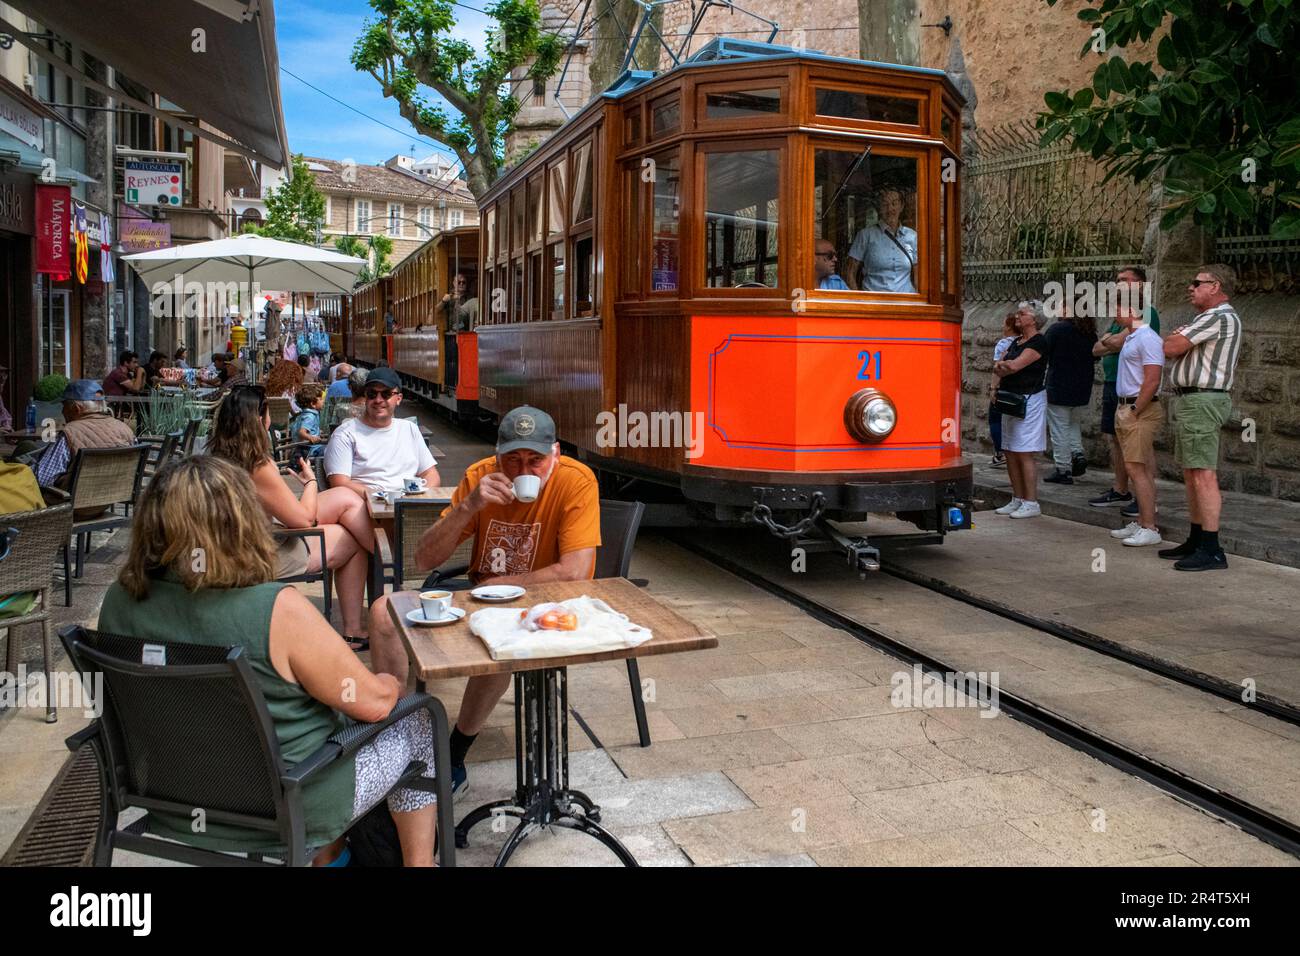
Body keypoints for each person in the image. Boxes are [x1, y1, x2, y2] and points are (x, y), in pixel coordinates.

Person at [97, 456, 438, 865]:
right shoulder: (275, 609)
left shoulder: (118, 601)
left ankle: (333, 859)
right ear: (240, 521)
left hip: (170, 797)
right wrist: (390, 682)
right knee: (416, 721)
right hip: (289, 801)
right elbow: (373, 704)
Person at [366, 406, 600, 798]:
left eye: (536, 461)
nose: (524, 471)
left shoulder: (577, 481)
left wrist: (501, 584)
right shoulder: (480, 477)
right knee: (383, 613)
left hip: (543, 607)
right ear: (497, 455)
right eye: (512, 460)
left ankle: (456, 752)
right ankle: (400, 736)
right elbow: (423, 560)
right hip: (480, 595)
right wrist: (467, 507)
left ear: (556, 453)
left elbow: (575, 572)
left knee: (500, 632)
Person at [208, 385, 375, 648]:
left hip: (235, 544)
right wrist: (310, 483)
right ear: (259, 420)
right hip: (258, 554)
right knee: (351, 540)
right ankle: (357, 623)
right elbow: (302, 521)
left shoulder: (216, 458)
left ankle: (383, 556)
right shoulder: (257, 466)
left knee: (345, 498)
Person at [1159, 264, 1243, 572]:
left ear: (1215, 287)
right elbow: (1174, 344)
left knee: (1203, 473)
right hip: (1194, 399)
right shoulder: (1209, 318)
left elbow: (1171, 346)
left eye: (1198, 283)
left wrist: (1178, 337)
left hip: (1202, 399)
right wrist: (1179, 337)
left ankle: (1211, 548)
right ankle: (1197, 539)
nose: (1190, 287)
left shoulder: (1218, 317)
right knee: (1193, 471)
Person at [1090, 266, 1161, 512]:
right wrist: (1111, 342)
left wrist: (1111, 341)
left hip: (1134, 390)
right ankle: (1121, 489)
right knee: (1116, 439)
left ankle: (1146, 500)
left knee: (1140, 446)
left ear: (1140, 284)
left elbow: (1120, 341)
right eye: (1117, 280)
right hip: (1114, 383)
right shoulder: (1119, 316)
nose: (1118, 283)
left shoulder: (1147, 312)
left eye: (1124, 280)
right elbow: (1096, 348)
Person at [323, 367, 438, 497]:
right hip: (364, 505)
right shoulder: (345, 434)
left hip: (409, 505)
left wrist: (419, 498)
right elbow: (340, 483)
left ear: (399, 398)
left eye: (386, 394)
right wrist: (383, 496)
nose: (378, 400)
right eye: (372, 394)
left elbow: (430, 473)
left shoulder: (409, 429)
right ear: (365, 397)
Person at [1108, 304, 1165, 548]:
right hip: (1127, 407)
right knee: (1135, 467)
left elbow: (1152, 378)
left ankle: (1149, 526)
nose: (1113, 313)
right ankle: (1143, 520)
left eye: (1116, 307)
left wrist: (1134, 410)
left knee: (1136, 467)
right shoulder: (1132, 337)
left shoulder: (1147, 338)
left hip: (1137, 409)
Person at [33, 380, 136, 506]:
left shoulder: (70, 434)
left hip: (68, 508)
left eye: (64, 406)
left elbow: (42, 480)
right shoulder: (125, 429)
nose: (62, 411)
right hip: (105, 504)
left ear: (76, 408)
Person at [991, 300, 1049, 519]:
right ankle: (1017, 497)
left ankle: (1031, 501)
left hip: (1029, 399)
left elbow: (1012, 365)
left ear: (1033, 319)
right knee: (1010, 449)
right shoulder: (1016, 341)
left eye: (1022, 313)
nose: (1017, 316)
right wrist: (1003, 366)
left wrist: (1005, 365)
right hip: (1011, 398)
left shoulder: (1038, 343)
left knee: (1024, 450)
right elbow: (999, 365)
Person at [1042, 308, 1098, 484]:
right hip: (1081, 387)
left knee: (1059, 428)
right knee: (1073, 423)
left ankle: (1063, 468)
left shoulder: (1057, 330)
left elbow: (1042, 352)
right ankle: (1077, 453)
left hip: (1059, 385)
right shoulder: (1089, 332)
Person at [845, 188, 917, 293]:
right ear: (879, 208)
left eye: (894, 203)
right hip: (874, 302)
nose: (890, 209)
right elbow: (850, 272)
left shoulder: (912, 236)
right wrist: (860, 300)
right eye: (885, 204)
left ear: (901, 207)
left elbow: (919, 275)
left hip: (906, 301)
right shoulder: (865, 235)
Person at [987, 313, 1018, 469]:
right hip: (1019, 388)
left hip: (1003, 387)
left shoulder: (1003, 344)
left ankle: (1000, 452)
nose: (1002, 327)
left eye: (1004, 324)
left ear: (1009, 326)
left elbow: (997, 369)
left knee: (995, 420)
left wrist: (993, 388)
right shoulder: (1023, 343)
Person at [290, 384, 328, 460]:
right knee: (331, 451)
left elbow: (307, 428)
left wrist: (316, 431)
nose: (323, 401)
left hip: (306, 449)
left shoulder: (305, 414)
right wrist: (311, 437)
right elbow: (302, 432)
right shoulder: (310, 416)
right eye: (320, 399)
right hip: (310, 450)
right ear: (313, 404)